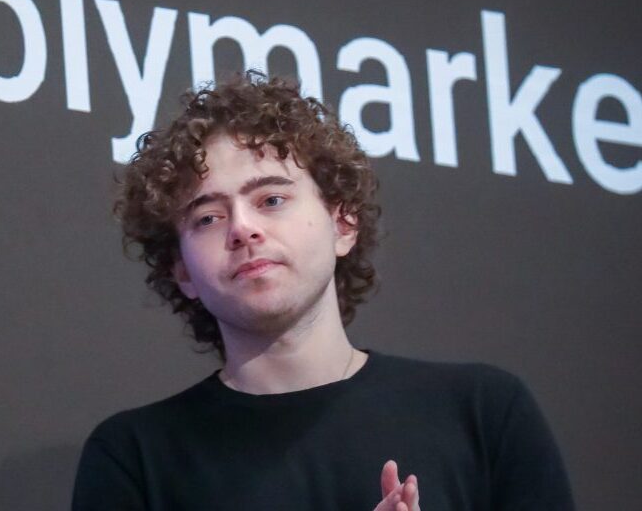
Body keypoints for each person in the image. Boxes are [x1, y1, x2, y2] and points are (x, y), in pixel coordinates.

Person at [71, 72, 575, 511]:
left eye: (271, 199)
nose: (242, 229)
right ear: (181, 270)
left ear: (343, 223)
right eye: (208, 217)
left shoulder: (482, 412)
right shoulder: (135, 458)